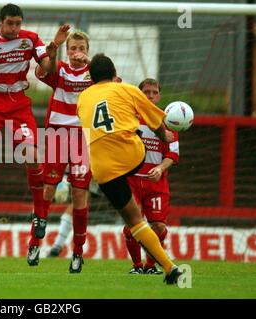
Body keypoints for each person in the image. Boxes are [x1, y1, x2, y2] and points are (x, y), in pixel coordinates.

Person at [0, 4, 67, 248]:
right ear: (0, 23)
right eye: (10, 23)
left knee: (32, 155)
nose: (14, 28)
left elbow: (48, 69)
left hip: (18, 104)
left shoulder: (30, 39)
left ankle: (40, 214)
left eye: (17, 24)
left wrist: (53, 53)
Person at [76, 54, 181, 284]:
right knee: (139, 219)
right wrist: (167, 136)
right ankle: (169, 268)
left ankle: (164, 266)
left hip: (103, 167)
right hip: (133, 156)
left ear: (91, 78)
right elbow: (155, 122)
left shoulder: (82, 98)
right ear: (114, 74)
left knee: (134, 221)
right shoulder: (127, 89)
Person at [29, 30, 93, 273]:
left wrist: (92, 64)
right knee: (48, 188)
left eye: (81, 48)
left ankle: (77, 252)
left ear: (87, 49)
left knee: (79, 194)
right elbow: (45, 71)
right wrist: (53, 53)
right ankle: (35, 243)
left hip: (82, 139)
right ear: (67, 51)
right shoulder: (61, 69)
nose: (77, 53)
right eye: (73, 49)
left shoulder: (94, 72)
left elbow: (114, 83)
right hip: (58, 135)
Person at [124, 78, 179, 275]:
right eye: (146, 92)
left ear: (159, 95)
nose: (150, 96)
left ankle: (150, 265)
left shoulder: (167, 120)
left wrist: (160, 168)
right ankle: (136, 266)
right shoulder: (129, 117)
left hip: (156, 182)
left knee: (159, 226)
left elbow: (173, 154)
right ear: (139, 94)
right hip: (131, 180)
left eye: (154, 92)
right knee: (131, 225)